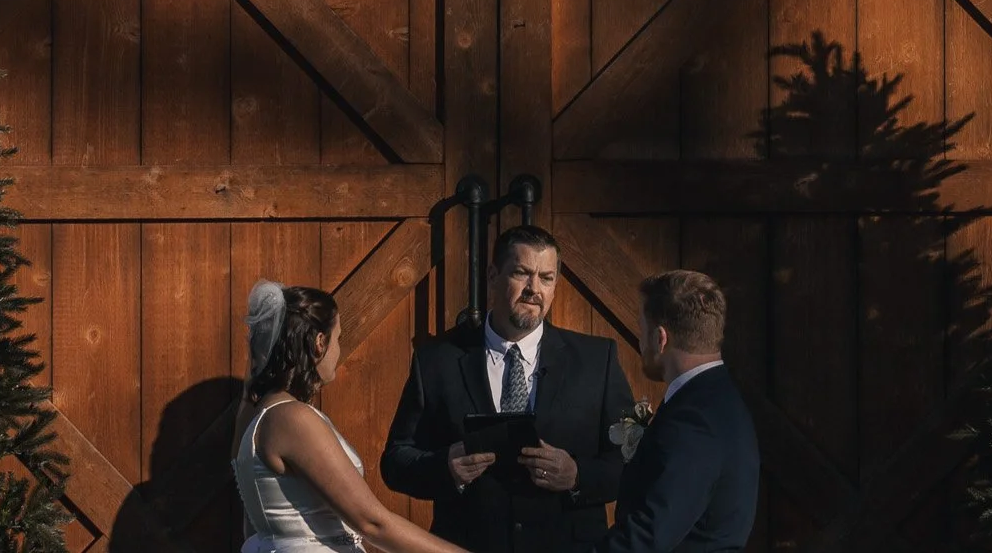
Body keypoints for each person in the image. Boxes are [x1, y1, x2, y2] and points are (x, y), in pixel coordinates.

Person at [381, 225, 635, 553]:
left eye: (546, 278)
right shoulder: (437, 359)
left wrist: (576, 475)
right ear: (492, 275)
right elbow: (396, 461)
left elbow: (635, 460)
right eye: (522, 273)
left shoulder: (597, 360)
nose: (534, 289)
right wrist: (445, 467)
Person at [234, 280, 467, 553]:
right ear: (320, 343)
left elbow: (252, 525)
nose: (338, 350)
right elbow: (371, 523)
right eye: (338, 338)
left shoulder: (256, 413)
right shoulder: (293, 418)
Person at [609, 270, 758, 553]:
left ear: (660, 338)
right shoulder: (715, 398)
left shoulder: (697, 418)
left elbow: (652, 531)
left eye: (642, 329)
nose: (642, 343)